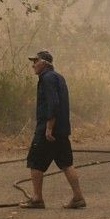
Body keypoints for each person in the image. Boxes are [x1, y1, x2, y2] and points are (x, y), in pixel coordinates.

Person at [20, 50, 86, 209]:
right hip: (61, 130)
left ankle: (37, 199)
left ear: (44, 63)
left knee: (35, 162)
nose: (33, 65)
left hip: (48, 130)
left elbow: (53, 103)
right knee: (66, 163)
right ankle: (78, 197)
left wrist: (49, 128)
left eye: (35, 62)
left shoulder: (47, 78)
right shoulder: (58, 77)